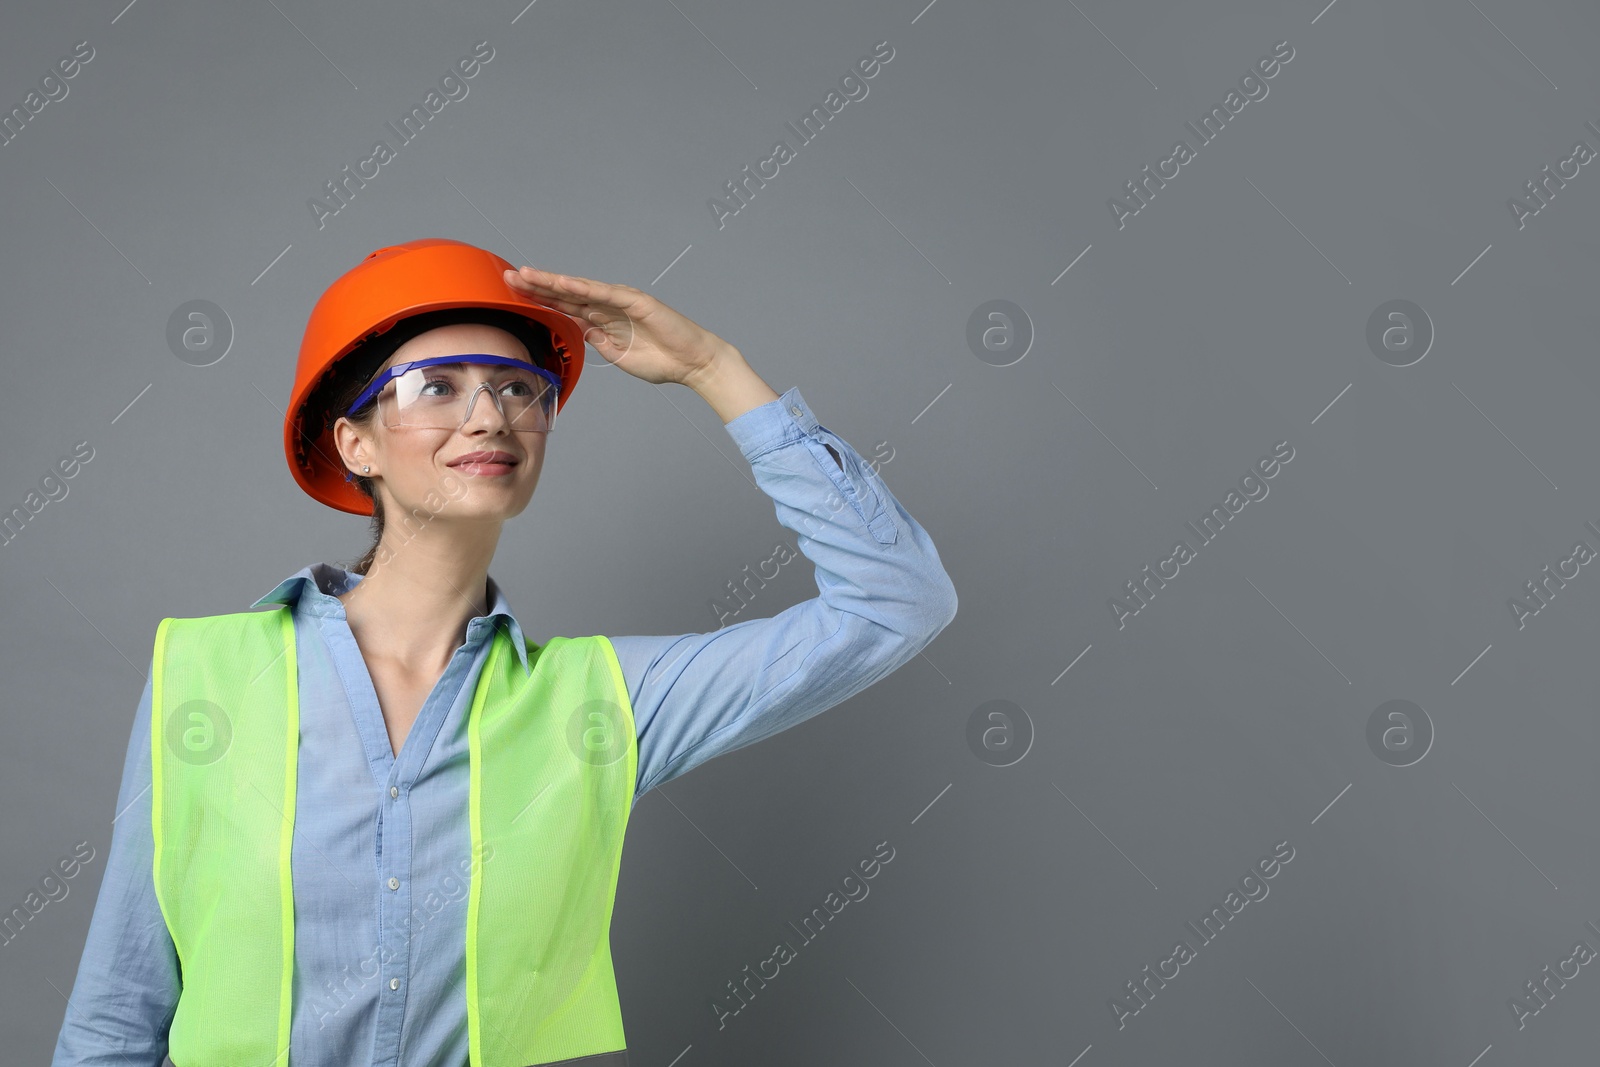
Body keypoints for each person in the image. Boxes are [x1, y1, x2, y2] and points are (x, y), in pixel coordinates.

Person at [49, 237, 957, 1066]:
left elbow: (897, 600)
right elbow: (118, 1015)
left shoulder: (603, 704)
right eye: (437, 386)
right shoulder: (204, 675)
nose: (490, 416)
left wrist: (713, 369)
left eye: (519, 387)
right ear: (354, 442)